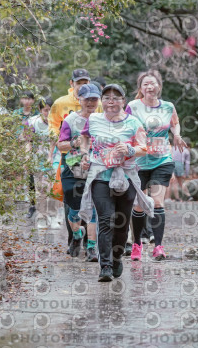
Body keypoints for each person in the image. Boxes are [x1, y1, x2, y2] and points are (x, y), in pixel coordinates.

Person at [77, 84, 152, 282]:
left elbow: (144, 147)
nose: (111, 101)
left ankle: (117, 257)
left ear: (123, 102)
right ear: (102, 101)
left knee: (121, 224)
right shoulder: (93, 119)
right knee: (105, 219)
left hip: (126, 177)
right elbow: (84, 138)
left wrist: (129, 150)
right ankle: (106, 266)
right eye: (107, 97)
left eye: (116, 98)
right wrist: (85, 154)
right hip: (100, 176)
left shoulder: (134, 122)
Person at [127, 70, 187, 261]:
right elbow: (124, 126)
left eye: (153, 83)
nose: (149, 87)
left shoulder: (168, 106)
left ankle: (158, 247)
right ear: (140, 88)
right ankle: (137, 244)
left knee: (158, 202)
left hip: (162, 160)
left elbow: (175, 123)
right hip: (138, 162)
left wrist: (176, 134)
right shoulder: (133, 106)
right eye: (145, 84)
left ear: (159, 86)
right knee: (139, 205)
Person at [47, 69, 95, 252]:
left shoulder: (96, 103)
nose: (82, 86)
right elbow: (52, 125)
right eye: (79, 82)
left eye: (85, 82)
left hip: (92, 158)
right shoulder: (60, 103)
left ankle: (90, 244)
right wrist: (62, 140)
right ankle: (73, 238)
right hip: (68, 154)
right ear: (71, 83)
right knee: (69, 196)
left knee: (90, 198)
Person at [56, 84, 101, 261]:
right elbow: (61, 145)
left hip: (95, 167)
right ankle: (77, 234)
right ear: (79, 99)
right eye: (87, 99)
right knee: (74, 208)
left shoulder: (102, 119)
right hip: (72, 168)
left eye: (94, 99)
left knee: (93, 208)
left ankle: (91, 248)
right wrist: (74, 143)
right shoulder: (71, 120)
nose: (91, 102)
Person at [25, 98, 62, 227]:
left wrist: (51, 156)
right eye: (46, 110)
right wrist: (27, 157)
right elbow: (28, 141)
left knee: (54, 188)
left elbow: (58, 141)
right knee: (41, 189)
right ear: (40, 110)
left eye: (51, 110)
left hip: (55, 158)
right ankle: (41, 217)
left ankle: (53, 215)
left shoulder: (59, 122)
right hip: (38, 159)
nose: (48, 113)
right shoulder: (32, 122)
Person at [13, 91, 38, 218]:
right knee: (17, 168)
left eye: (29, 98)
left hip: (32, 144)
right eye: (24, 98)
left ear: (33, 100)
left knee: (30, 170)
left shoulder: (36, 114)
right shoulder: (16, 114)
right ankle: (18, 193)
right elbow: (12, 128)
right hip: (18, 143)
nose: (27, 101)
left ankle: (31, 197)